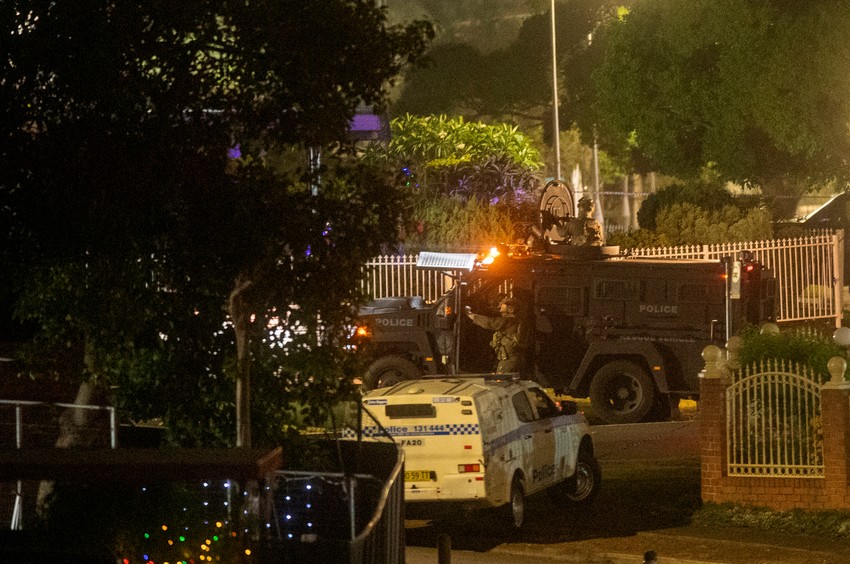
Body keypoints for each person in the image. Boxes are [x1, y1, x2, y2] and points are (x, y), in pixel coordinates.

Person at [466, 295, 529, 374]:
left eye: (503, 307)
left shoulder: (508, 321)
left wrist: (470, 315)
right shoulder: (519, 320)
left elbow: (490, 323)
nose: (500, 309)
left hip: (508, 360)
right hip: (516, 358)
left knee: (501, 381)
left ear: (511, 309)